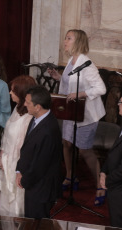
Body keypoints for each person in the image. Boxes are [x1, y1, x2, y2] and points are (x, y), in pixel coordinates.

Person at [48, 29, 106, 205]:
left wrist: (81, 93)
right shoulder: (71, 62)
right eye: (65, 37)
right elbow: (69, 83)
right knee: (66, 144)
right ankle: (70, 176)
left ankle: (101, 185)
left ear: (78, 41)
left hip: (86, 115)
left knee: (84, 150)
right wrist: (58, 77)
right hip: (70, 112)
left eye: (69, 38)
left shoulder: (87, 64)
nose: (65, 41)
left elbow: (101, 88)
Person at [16, 85, 62, 219]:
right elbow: (28, 149)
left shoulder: (48, 131)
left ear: (38, 107)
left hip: (41, 188)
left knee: (37, 223)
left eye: (28, 102)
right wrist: (19, 170)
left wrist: (25, 180)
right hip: (34, 184)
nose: (24, 104)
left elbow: (40, 164)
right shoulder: (36, 119)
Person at [0, 75, 36, 217]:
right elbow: (6, 134)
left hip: (17, 169)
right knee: (5, 207)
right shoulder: (17, 109)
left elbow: (22, 150)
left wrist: (4, 160)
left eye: (13, 91)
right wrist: (1, 154)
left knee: (16, 210)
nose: (10, 93)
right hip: (6, 163)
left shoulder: (29, 119)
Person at [100, 97, 122, 228]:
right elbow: (114, 151)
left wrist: (107, 181)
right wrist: (103, 171)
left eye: (121, 102)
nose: (118, 104)